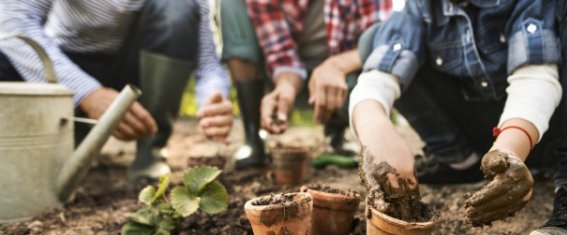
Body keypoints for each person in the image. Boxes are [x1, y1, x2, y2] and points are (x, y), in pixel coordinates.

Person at [351, 0, 567, 235]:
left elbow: (535, 79)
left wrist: (509, 149)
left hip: (545, 131)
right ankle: (461, 162)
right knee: (374, 39)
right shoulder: (420, 8)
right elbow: (378, 79)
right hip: (485, 142)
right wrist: (375, 128)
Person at [0, 0, 233, 181]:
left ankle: (150, 149)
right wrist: (87, 93)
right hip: (70, 66)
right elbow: (12, 19)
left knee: (178, 6)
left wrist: (214, 98)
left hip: (136, 71)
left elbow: (208, 63)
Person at [220, 0, 394, 169]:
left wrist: (336, 67)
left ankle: (336, 132)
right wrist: (286, 86)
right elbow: (280, 54)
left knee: (383, 64)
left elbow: (382, 41)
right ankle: (253, 137)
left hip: (345, 80)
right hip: (281, 77)